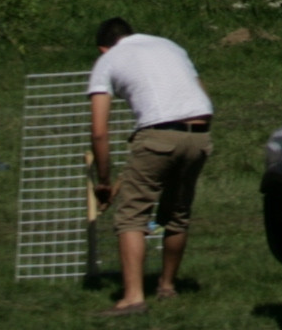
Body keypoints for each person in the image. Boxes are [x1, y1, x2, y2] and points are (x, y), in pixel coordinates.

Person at [88, 19, 214, 313]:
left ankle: (133, 298)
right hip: (200, 132)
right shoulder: (169, 46)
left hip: (157, 134)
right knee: (177, 214)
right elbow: (200, 96)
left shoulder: (108, 59)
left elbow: (98, 131)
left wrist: (104, 180)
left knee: (131, 216)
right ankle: (167, 287)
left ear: (102, 47)